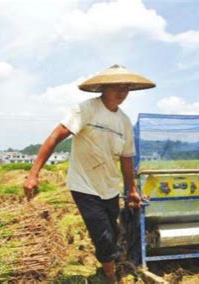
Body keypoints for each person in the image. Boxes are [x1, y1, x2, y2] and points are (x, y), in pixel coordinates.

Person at [23, 64, 155, 283]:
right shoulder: (86, 110)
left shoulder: (124, 122)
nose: (122, 92)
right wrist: (33, 173)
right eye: (116, 86)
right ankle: (111, 276)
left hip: (110, 187)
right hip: (83, 184)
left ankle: (106, 266)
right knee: (102, 235)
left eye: (126, 87)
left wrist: (132, 190)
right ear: (103, 87)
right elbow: (56, 136)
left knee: (112, 232)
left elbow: (126, 158)